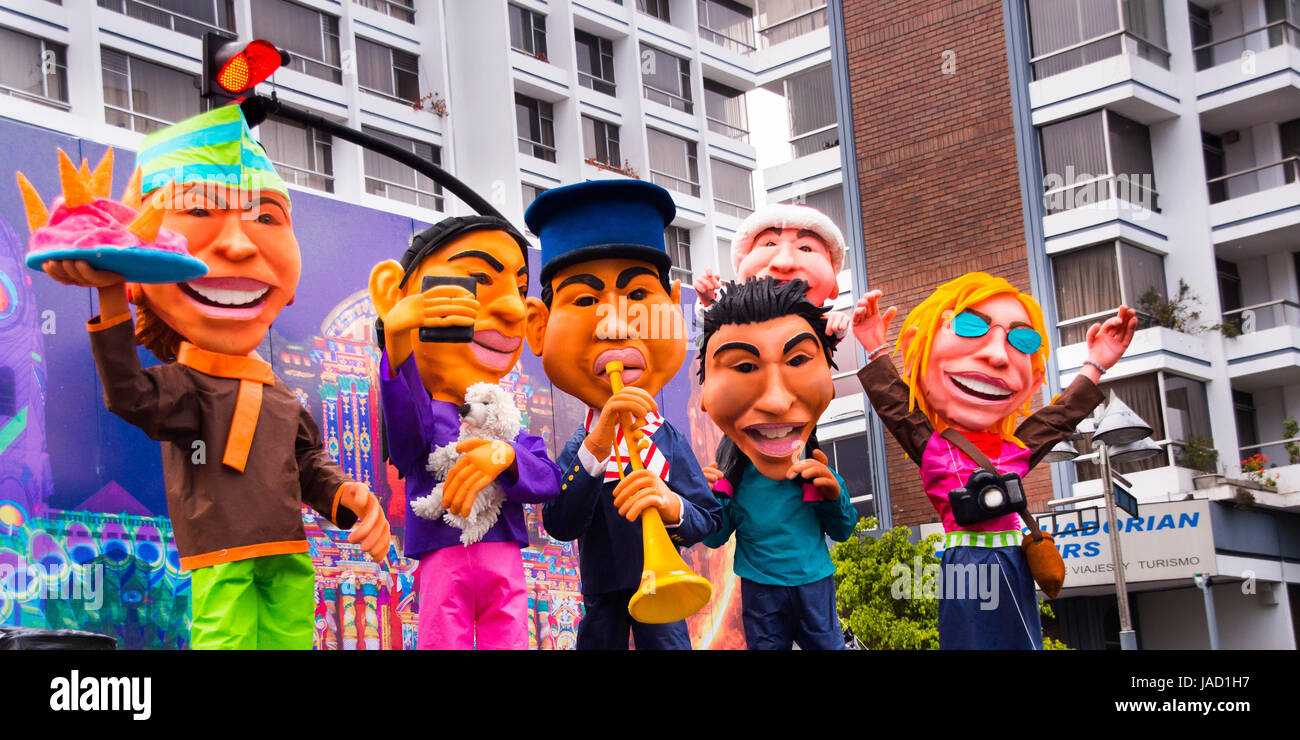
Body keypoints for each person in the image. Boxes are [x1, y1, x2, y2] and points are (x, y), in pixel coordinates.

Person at [27, 105, 389, 649]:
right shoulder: (186, 386)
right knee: (226, 642)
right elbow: (127, 393)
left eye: (266, 218)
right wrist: (108, 291)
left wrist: (349, 498)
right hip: (222, 555)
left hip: (287, 553)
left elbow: (308, 466)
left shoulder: (279, 392)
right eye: (199, 211)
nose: (241, 245)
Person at [851, 272, 1136, 649]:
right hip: (965, 557)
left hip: (1012, 559)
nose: (997, 356)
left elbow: (1057, 418)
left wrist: (1095, 366)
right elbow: (897, 409)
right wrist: (874, 348)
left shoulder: (1014, 449)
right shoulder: (935, 447)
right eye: (969, 326)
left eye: (1022, 339)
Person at [524, 180, 721, 650]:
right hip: (601, 596)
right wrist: (598, 444)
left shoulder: (665, 439)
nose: (614, 326)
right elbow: (560, 522)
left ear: (672, 308)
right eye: (586, 301)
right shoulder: (580, 446)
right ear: (540, 328)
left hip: (665, 590)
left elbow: (709, 520)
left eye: (637, 295)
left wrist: (671, 504)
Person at [369, 215, 561, 650]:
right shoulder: (425, 414)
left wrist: (506, 458)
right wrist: (397, 343)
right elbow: (404, 442)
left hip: (502, 556)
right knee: (442, 638)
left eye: (520, 289)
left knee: (508, 637)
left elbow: (548, 478)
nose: (512, 308)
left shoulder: (508, 426)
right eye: (475, 280)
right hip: (442, 554)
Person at [697, 277, 858, 649]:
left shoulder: (813, 470)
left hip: (812, 580)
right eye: (744, 368)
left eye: (797, 360)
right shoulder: (734, 477)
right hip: (761, 586)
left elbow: (843, 529)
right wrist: (707, 500)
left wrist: (834, 494)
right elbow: (715, 536)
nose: (774, 401)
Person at [694, 203, 850, 336]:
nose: (784, 263)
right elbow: (713, 330)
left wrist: (834, 326)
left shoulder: (818, 326)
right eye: (770, 244)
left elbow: (828, 336)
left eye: (805, 248)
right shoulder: (739, 320)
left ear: (834, 284)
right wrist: (708, 301)